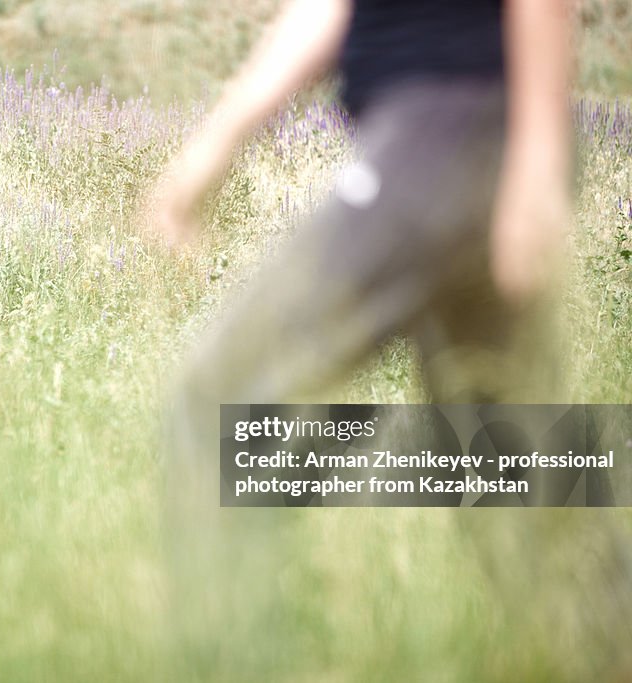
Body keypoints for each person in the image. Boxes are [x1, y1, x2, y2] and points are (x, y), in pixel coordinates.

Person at [152, 1, 631, 680]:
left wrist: (539, 156)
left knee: (217, 403)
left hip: (447, 129)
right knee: (510, 463)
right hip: (456, 132)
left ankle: (230, 662)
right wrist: (217, 142)